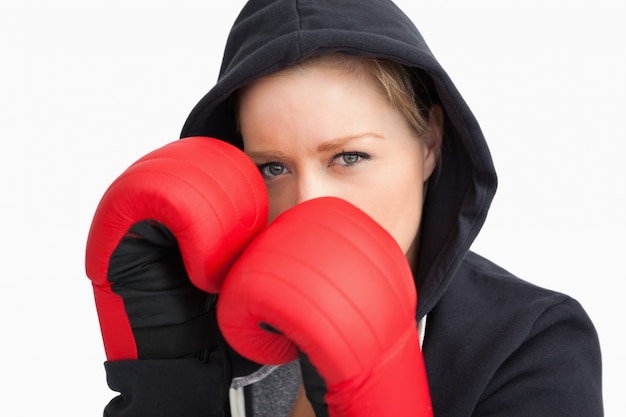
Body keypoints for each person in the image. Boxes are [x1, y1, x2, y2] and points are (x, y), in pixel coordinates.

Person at [85, 0, 604, 416]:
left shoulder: (529, 342)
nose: (307, 205)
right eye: (272, 167)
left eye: (349, 157)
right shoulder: (210, 327)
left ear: (429, 143)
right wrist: (169, 381)